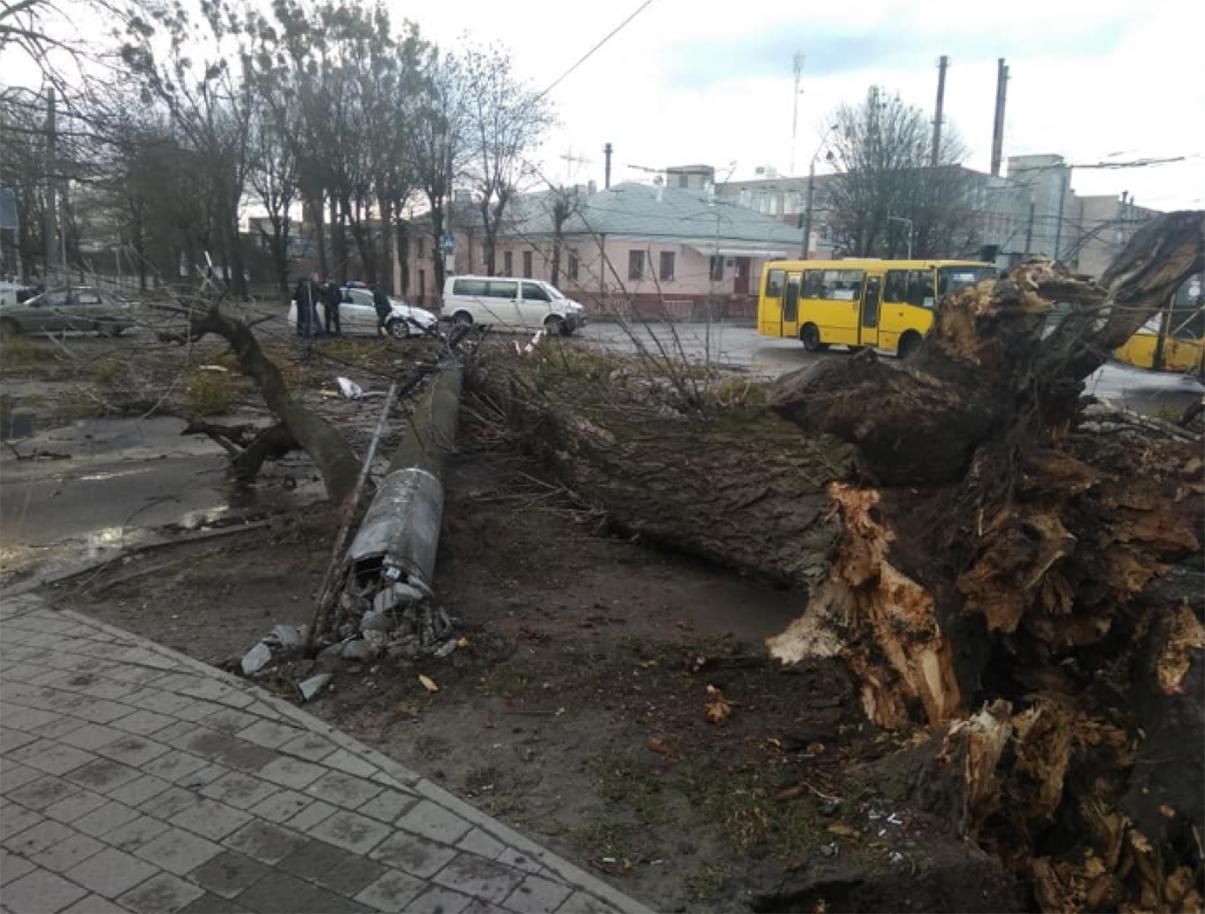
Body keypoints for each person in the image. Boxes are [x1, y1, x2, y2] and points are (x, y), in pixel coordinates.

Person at [292, 272, 322, 338]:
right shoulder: (308, 286)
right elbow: (296, 296)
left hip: (306, 305)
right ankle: (318, 333)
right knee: (310, 320)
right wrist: (301, 300)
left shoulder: (307, 286)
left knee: (307, 320)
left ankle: (306, 334)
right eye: (316, 277)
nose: (318, 279)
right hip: (306, 305)